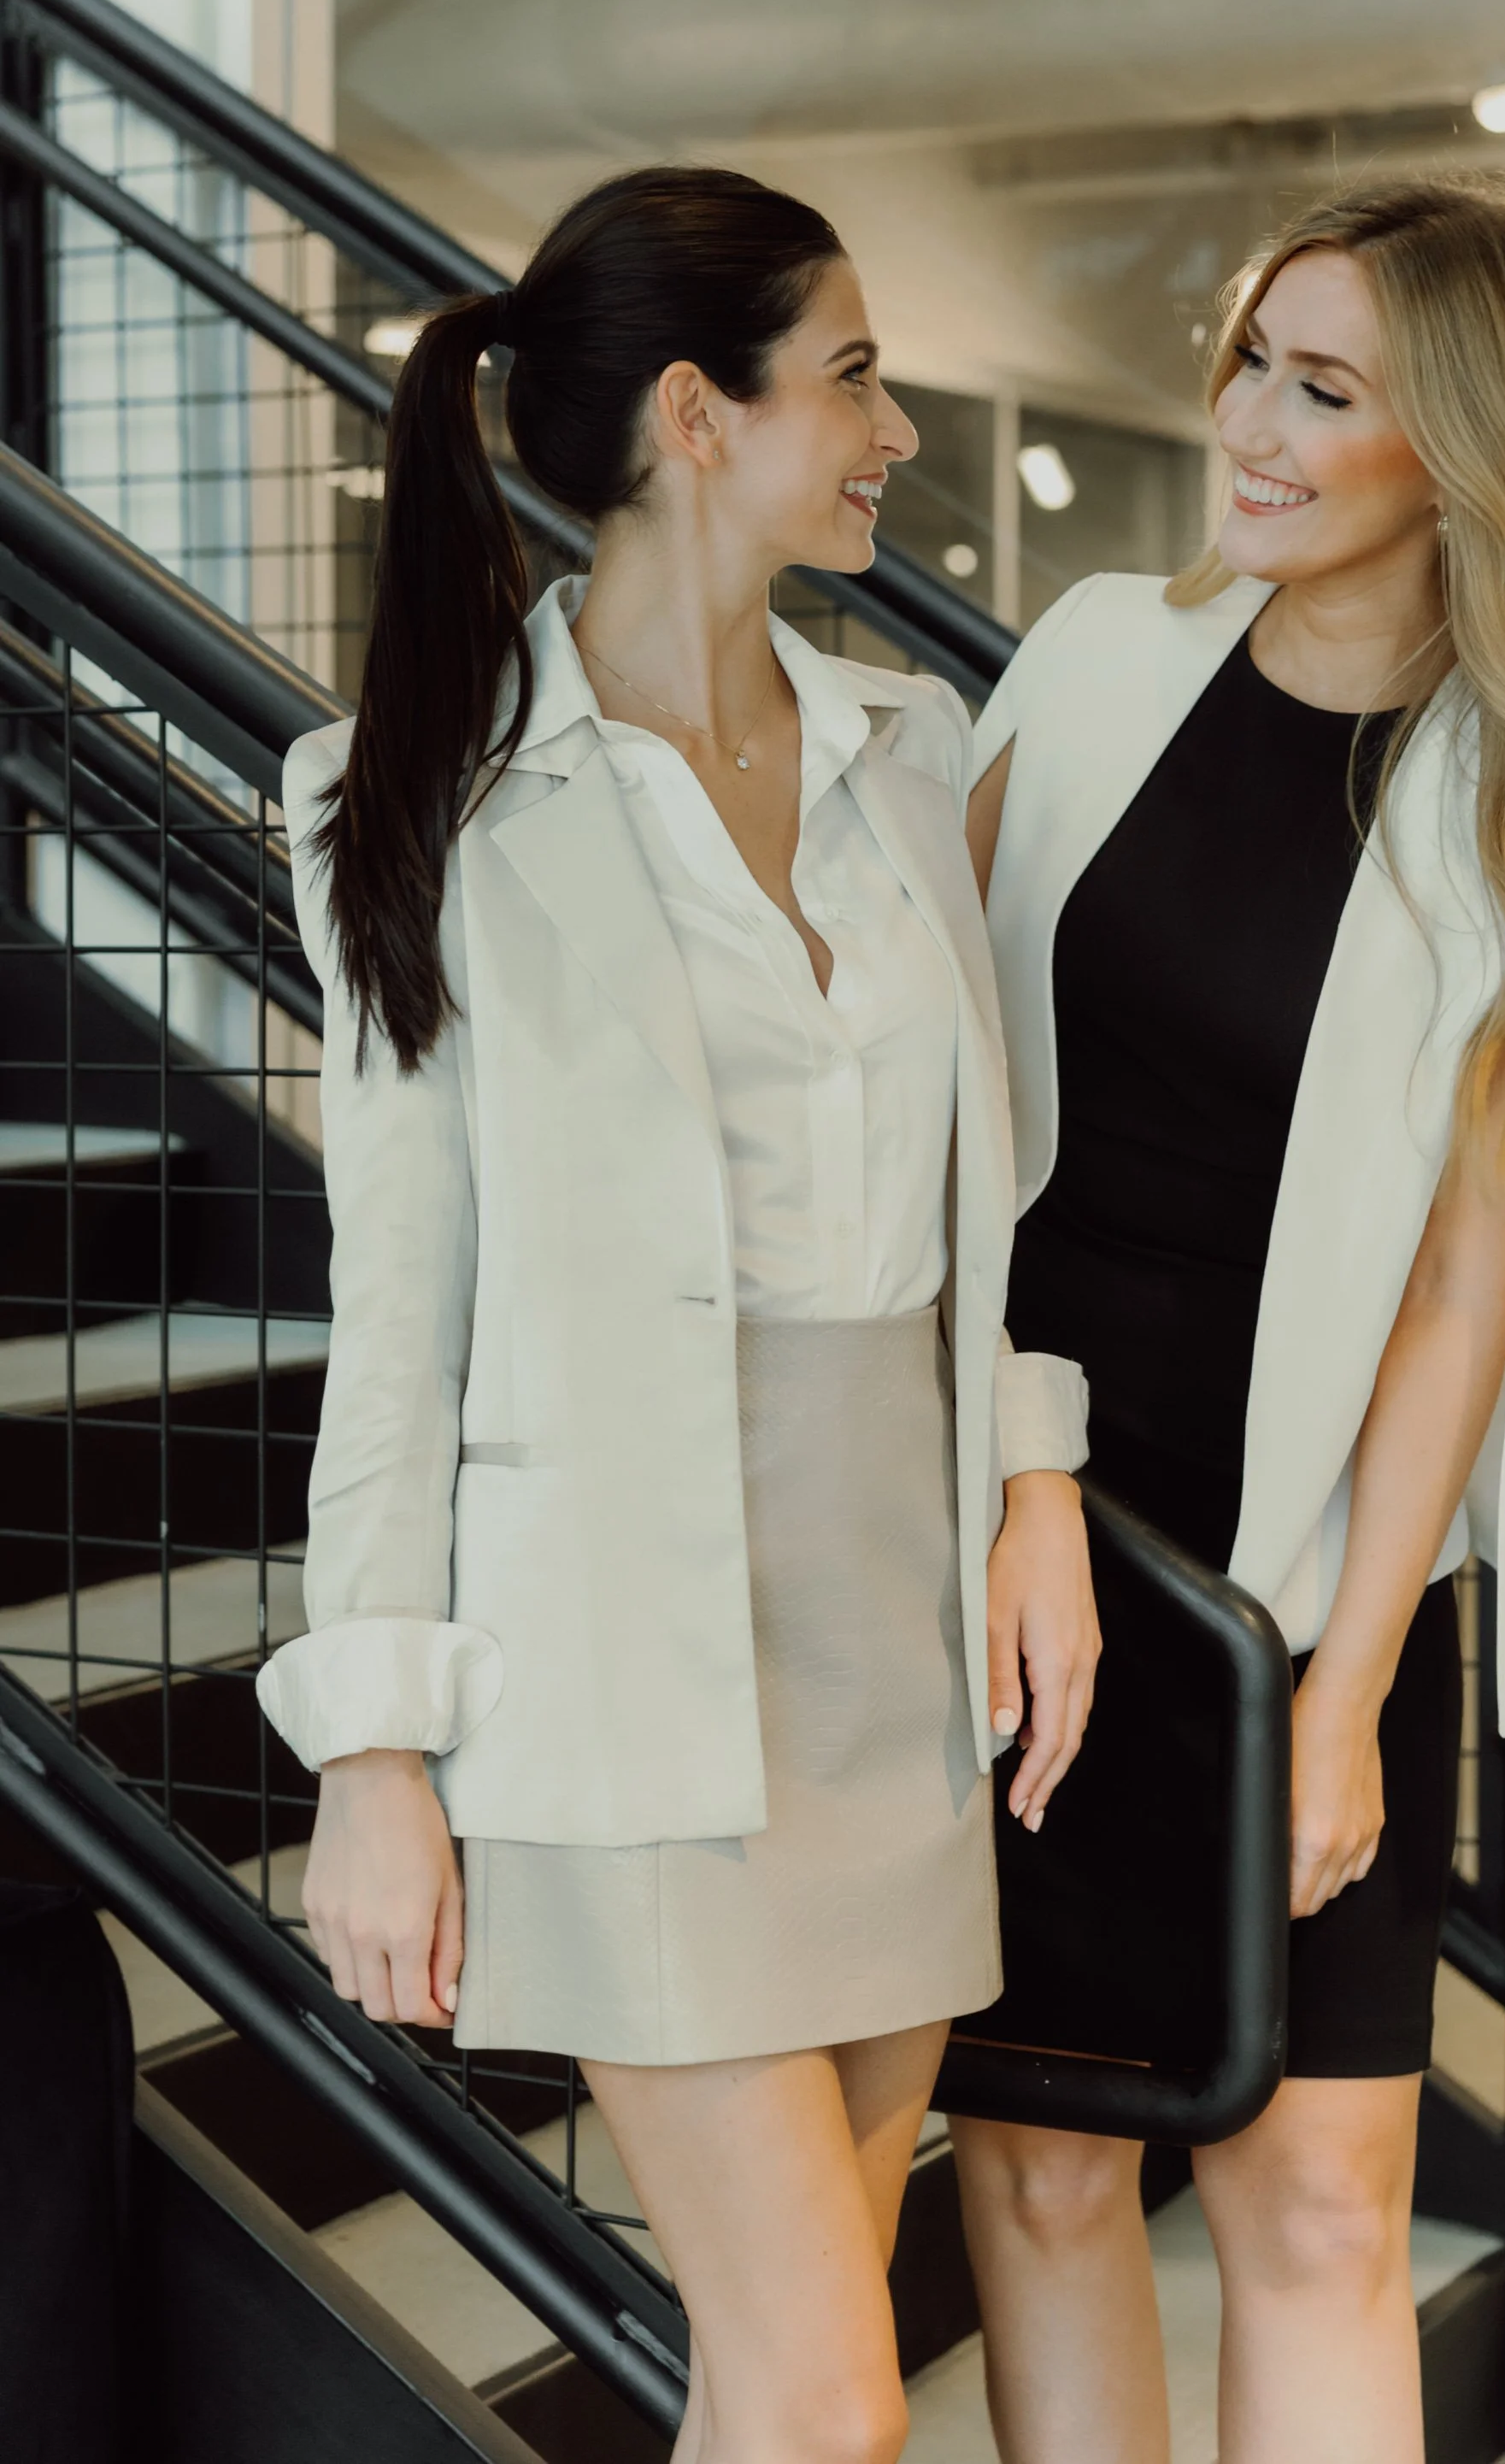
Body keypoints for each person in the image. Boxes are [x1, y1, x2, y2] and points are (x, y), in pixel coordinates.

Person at [256, 167, 1099, 2464]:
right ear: (692, 416)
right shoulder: (403, 806)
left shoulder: (906, 756)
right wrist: (376, 1746)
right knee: (836, 2399)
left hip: (897, 1676)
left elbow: (985, 1209)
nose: (895, 430)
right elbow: (397, 1309)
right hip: (628, 1684)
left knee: (770, 2389)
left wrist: (1037, 1483)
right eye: (849, 373)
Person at [950, 179, 1505, 2464]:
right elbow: (933, 1087)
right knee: (1048, 2154)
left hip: (1319, 1549)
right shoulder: (1086, 657)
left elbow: (1475, 1262)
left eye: (1326, 386)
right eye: (1257, 357)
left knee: (1331, 2194)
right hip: (1030, 1509)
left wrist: (1349, 1676)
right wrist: (991, 1461)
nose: (1252, 423)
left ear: (1467, 449)